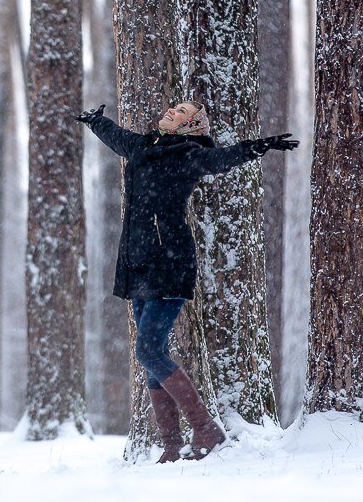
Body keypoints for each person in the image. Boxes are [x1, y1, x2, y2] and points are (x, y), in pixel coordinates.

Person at [75, 102, 297, 462]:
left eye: (180, 111)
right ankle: (172, 447)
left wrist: (261, 145)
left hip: (170, 263)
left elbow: (223, 159)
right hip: (138, 264)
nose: (169, 111)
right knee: (152, 355)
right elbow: (115, 137)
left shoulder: (188, 155)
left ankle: (206, 428)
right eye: (171, 107)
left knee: (148, 351)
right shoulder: (143, 146)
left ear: (190, 126)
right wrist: (95, 121)